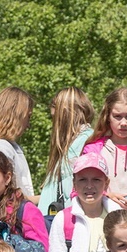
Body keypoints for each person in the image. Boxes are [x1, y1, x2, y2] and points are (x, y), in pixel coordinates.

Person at [39, 86, 96, 214]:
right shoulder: (68, 145)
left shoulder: (87, 142)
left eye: (55, 118)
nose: (54, 124)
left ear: (65, 114)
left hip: (70, 221)